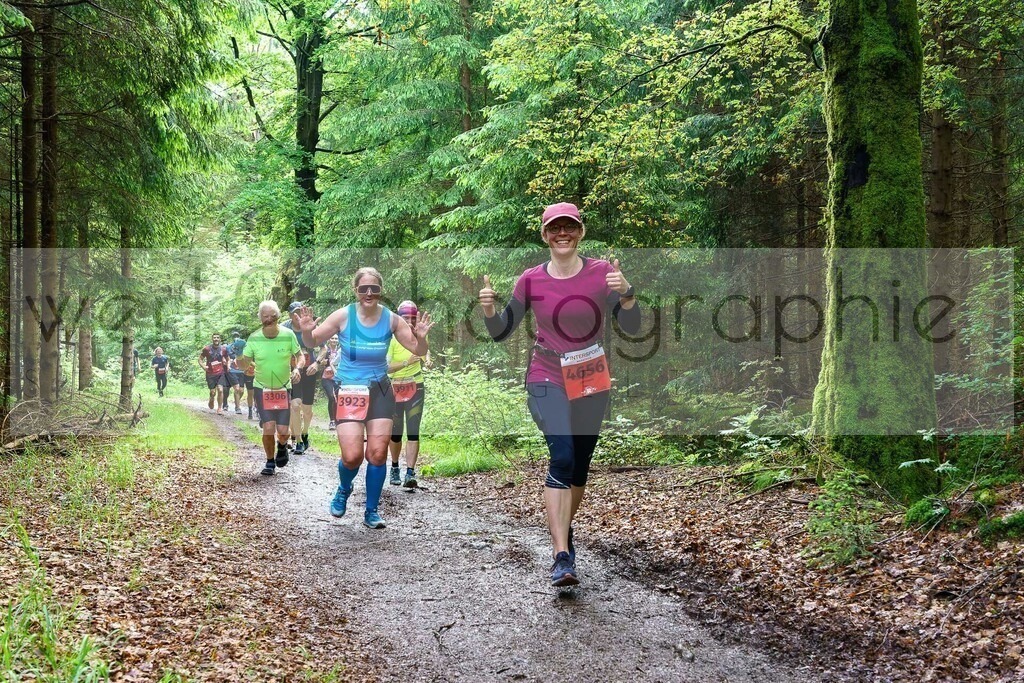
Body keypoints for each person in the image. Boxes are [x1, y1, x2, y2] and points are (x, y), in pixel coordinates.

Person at [479, 202, 640, 587]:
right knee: (563, 454)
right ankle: (561, 555)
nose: (562, 233)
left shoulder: (604, 273)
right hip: (546, 373)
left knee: (580, 465)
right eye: (554, 228)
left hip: (589, 375)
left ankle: (564, 537)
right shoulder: (531, 279)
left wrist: (629, 296)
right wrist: (489, 310)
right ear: (544, 234)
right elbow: (502, 331)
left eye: (569, 227)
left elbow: (632, 328)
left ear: (580, 231)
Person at [294, 267, 433, 529]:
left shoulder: (392, 320)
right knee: (352, 456)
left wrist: (422, 339)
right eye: (363, 288)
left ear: (381, 290)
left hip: (380, 389)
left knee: (378, 454)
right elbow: (312, 342)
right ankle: (344, 488)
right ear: (356, 290)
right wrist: (305, 331)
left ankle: (371, 510)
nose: (369, 293)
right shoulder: (343, 316)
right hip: (349, 389)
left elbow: (417, 349)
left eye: (374, 289)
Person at [237, 301, 304, 476]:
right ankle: (269, 461)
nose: (269, 319)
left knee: (283, 432)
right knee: (268, 426)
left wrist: (297, 368)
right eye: (265, 316)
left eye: (272, 315)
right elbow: (243, 365)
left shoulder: (288, 335)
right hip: (262, 388)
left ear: (278, 316)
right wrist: (238, 355)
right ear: (260, 318)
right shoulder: (254, 338)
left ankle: (282, 446)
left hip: (283, 388)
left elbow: (299, 355)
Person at [386, 300, 428, 488]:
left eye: (412, 318)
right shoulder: (391, 339)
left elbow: (424, 352)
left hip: (415, 386)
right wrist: (406, 363)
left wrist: (427, 359)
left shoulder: (418, 334)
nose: (409, 322)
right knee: (396, 433)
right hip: (394, 388)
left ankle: (410, 472)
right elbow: (385, 367)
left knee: (413, 431)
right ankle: (394, 467)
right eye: (405, 318)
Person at [283, 302, 316, 454]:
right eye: (294, 313)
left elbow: (324, 348)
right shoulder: (283, 329)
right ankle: (299, 441)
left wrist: (317, 363)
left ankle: (305, 432)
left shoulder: (310, 325)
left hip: (309, 371)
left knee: (307, 410)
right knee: (295, 405)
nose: (297, 316)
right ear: (290, 315)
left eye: (299, 312)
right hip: (292, 371)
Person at [199, 333, 230, 415]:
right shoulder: (207, 349)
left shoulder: (223, 349)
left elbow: (228, 359)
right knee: (213, 392)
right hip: (210, 373)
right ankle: (211, 398)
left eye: (217, 338)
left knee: (220, 389)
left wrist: (228, 365)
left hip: (220, 372)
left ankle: (220, 408)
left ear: (220, 339)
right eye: (214, 338)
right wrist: (203, 366)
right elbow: (200, 359)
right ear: (212, 339)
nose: (216, 339)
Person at [320, 336, 340, 429]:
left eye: (336, 339)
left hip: (338, 378)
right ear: (329, 340)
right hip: (326, 379)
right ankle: (332, 421)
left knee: (338, 399)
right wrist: (321, 363)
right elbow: (317, 364)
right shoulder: (325, 351)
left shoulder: (341, 351)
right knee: (332, 397)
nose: (334, 340)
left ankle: (338, 419)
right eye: (332, 338)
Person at [226, 331, 247, 415]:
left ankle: (236, 401)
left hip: (241, 370)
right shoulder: (228, 347)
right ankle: (238, 407)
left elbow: (247, 357)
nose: (236, 338)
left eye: (237, 336)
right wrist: (227, 365)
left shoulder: (244, 346)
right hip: (232, 370)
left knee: (241, 390)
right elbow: (226, 357)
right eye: (234, 336)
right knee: (237, 388)